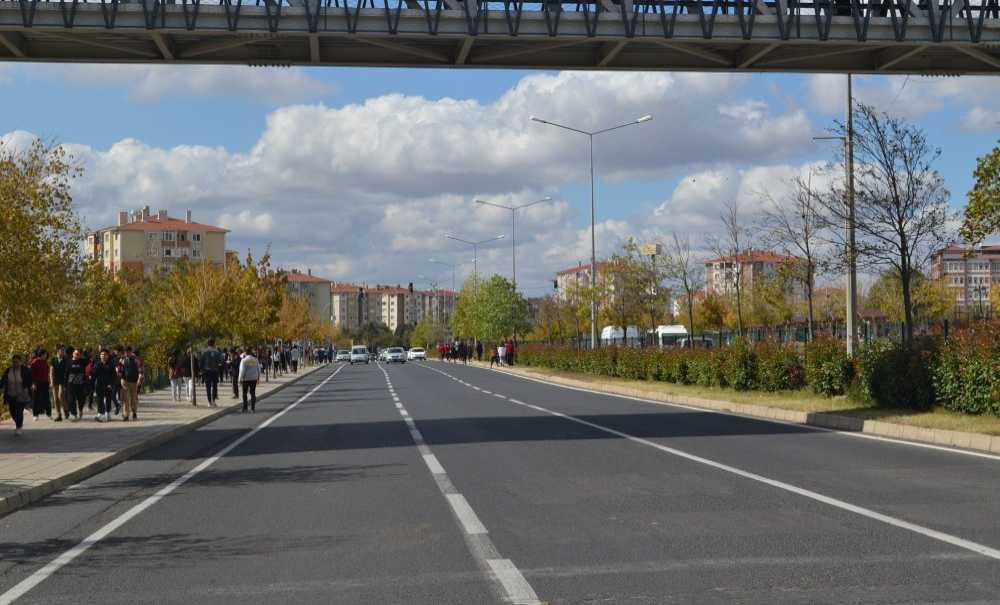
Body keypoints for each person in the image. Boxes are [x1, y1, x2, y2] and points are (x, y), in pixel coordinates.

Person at [1, 354, 33, 435]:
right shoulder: (9, 370)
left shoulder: (25, 370)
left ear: (20, 362)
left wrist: (29, 387)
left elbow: (30, 380)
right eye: (14, 362)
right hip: (11, 394)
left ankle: (19, 427)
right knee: (12, 412)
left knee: (19, 411)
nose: (15, 364)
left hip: (21, 394)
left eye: (17, 362)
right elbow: (3, 380)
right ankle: (18, 424)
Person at [90, 349, 118, 422]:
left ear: (108, 356)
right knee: (100, 400)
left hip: (108, 385)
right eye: (102, 354)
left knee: (108, 399)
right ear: (100, 356)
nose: (103, 356)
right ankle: (100, 414)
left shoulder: (111, 364)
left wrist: (111, 384)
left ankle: (108, 413)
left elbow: (114, 375)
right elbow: (93, 374)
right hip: (99, 385)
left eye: (105, 354)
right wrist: (91, 384)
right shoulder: (97, 364)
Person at [119, 346, 144, 421]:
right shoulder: (122, 360)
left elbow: (140, 369)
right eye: (125, 352)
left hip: (133, 381)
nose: (126, 354)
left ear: (131, 352)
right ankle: (126, 414)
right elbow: (119, 369)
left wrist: (140, 378)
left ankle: (134, 411)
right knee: (125, 398)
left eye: (128, 352)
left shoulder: (136, 360)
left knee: (133, 397)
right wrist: (119, 374)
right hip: (125, 380)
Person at [29, 348, 52, 420]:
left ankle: (49, 414)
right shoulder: (34, 362)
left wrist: (49, 382)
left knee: (47, 399)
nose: (46, 355)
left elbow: (47, 373)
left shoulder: (45, 362)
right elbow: (31, 374)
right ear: (41, 354)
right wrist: (33, 383)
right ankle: (35, 415)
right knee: (36, 399)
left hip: (45, 382)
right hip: (37, 383)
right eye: (45, 354)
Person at [200, 339, 223, 407]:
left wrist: (201, 370)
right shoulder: (217, 352)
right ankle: (214, 401)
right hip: (215, 371)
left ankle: (209, 402)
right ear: (214, 344)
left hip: (207, 371)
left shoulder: (204, 351)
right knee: (215, 386)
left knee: (208, 387)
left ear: (207, 344)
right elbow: (220, 361)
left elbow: (201, 361)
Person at [66, 349, 88, 421]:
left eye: (78, 354)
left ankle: (80, 410)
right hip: (71, 384)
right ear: (73, 354)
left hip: (80, 384)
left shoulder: (82, 361)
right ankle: (74, 414)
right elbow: (66, 373)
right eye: (75, 354)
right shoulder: (69, 362)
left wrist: (85, 351)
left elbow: (88, 359)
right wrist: (65, 383)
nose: (77, 355)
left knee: (81, 399)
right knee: (71, 400)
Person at [237, 348, 260, 413]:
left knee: (244, 393)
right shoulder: (255, 360)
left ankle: (245, 407)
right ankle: (253, 408)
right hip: (253, 378)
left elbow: (242, 371)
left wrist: (240, 379)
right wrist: (258, 377)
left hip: (246, 379)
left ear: (246, 353)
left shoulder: (244, 360)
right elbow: (259, 369)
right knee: (253, 393)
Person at [50, 346, 69, 422]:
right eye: (61, 350)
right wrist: (51, 382)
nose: (63, 352)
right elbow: (51, 371)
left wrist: (66, 382)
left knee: (60, 396)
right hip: (55, 381)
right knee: (55, 399)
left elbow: (67, 371)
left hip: (63, 381)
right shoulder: (53, 359)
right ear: (58, 351)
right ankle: (59, 415)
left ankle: (66, 409)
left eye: (63, 350)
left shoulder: (66, 360)